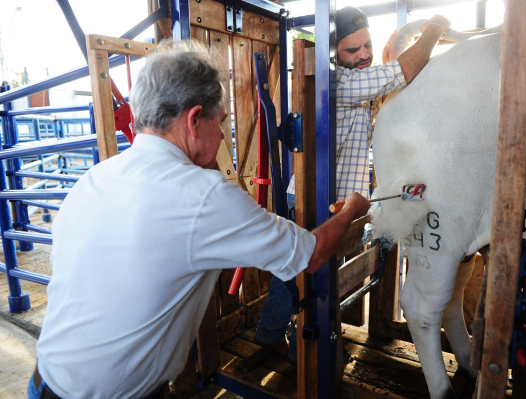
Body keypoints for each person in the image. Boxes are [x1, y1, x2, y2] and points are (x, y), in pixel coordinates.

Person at [28, 39, 370, 399]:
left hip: (44, 381)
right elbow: (311, 254)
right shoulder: (203, 195)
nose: (222, 135)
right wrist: (351, 210)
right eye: (219, 122)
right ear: (194, 120)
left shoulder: (94, 179)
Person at [254, 6, 451, 363]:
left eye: (367, 45)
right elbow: (401, 72)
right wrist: (434, 29)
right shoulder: (341, 83)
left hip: (337, 202)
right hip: (313, 197)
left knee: (308, 273)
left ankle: (290, 338)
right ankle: (286, 346)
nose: (362, 55)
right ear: (333, 54)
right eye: (351, 50)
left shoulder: (357, 83)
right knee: (299, 274)